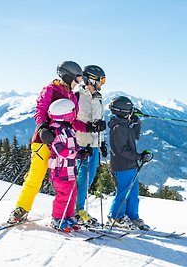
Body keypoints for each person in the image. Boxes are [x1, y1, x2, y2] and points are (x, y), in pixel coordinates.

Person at [7, 61, 106, 223]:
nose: (79, 82)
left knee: (65, 181)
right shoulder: (50, 90)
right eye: (77, 78)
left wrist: (90, 127)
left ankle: (65, 213)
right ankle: (21, 208)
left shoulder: (72, 96)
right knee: (36, 175)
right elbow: (40, 111)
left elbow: (73, 121)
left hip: (63, 143)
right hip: (44, 140)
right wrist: (42, 128)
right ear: (68, 76)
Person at [107, 96, 153, 230]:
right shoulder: (117, 128)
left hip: (131, 165)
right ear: (124, 111)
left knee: (133, 193)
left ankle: (132, 216)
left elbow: (135, 136)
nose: (132, 112)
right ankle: (115, 217)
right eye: (130, 110)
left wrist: (136, 121)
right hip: (122, 166)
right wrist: (139, 156)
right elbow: (122, 150)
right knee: (123, 193)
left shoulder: (124, 125)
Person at [47, 99, 92, 230]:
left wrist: (82, 151)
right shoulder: (56, 130)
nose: (75, 113)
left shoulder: (67, 128)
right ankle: (57, 218)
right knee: (64, 194)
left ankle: (68, 216)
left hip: (70, 169)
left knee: (72, 193)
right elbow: (61, 151)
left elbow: (72, 146)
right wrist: (78, 155)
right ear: (65, 113)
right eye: (73, 111)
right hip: (60, 169)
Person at [74, 65, 107, 224]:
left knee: (89, 177)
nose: (102, 84)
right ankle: (76, 210)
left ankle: (79, 208)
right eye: (101, 80)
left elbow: (98, 119)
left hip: (94, 144)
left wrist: (102, 142)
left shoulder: (97, 96)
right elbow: (73, 121)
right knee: (82, 178)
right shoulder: (78, 95)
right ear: (92, 79)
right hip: (82, 144)